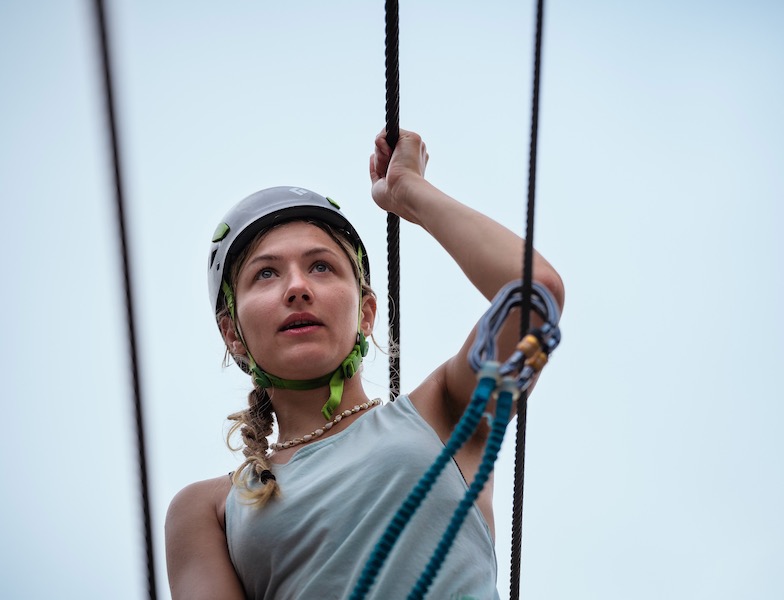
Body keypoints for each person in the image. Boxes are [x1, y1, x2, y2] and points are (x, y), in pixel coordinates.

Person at [165, 129, 565, 599]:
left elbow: (533, 295)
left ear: (367, 314)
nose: (297, 288)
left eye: (321, 266)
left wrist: (408, 193)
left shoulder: (442, 412)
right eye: (266, 273)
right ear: (233, 333)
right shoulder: (207, 509)